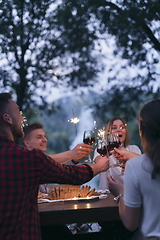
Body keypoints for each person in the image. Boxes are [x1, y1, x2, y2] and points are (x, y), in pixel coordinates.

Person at [0, 92, 109, 240]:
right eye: (18, 112)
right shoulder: (26, 159)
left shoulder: (24, 159)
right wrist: (98, 167)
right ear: (7, 118)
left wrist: (73, 157)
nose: (21, 117)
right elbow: (70, 175)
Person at [108, 99, 160, 240]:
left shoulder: (136, 166)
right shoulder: (135, 161)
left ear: (142, 129)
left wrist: (120, 192)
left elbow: (130, 223)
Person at [23, 123, 93, 193]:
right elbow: (40, 161)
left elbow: (64, 175)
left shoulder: (44, 165)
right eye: (39, 137)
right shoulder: (25, 161)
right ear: (27, 143)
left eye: (44, 136)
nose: (45, 140)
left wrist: (74, 161)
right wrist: (72, 153)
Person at [94, 117, 141, 190]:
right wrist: (105, 154)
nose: (118, 130)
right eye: (114, 128)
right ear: (109, 132)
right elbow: (98, 163)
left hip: (130, 196)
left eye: (122, 127)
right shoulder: (102, 148)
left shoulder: (134, 149)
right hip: (106, 197)